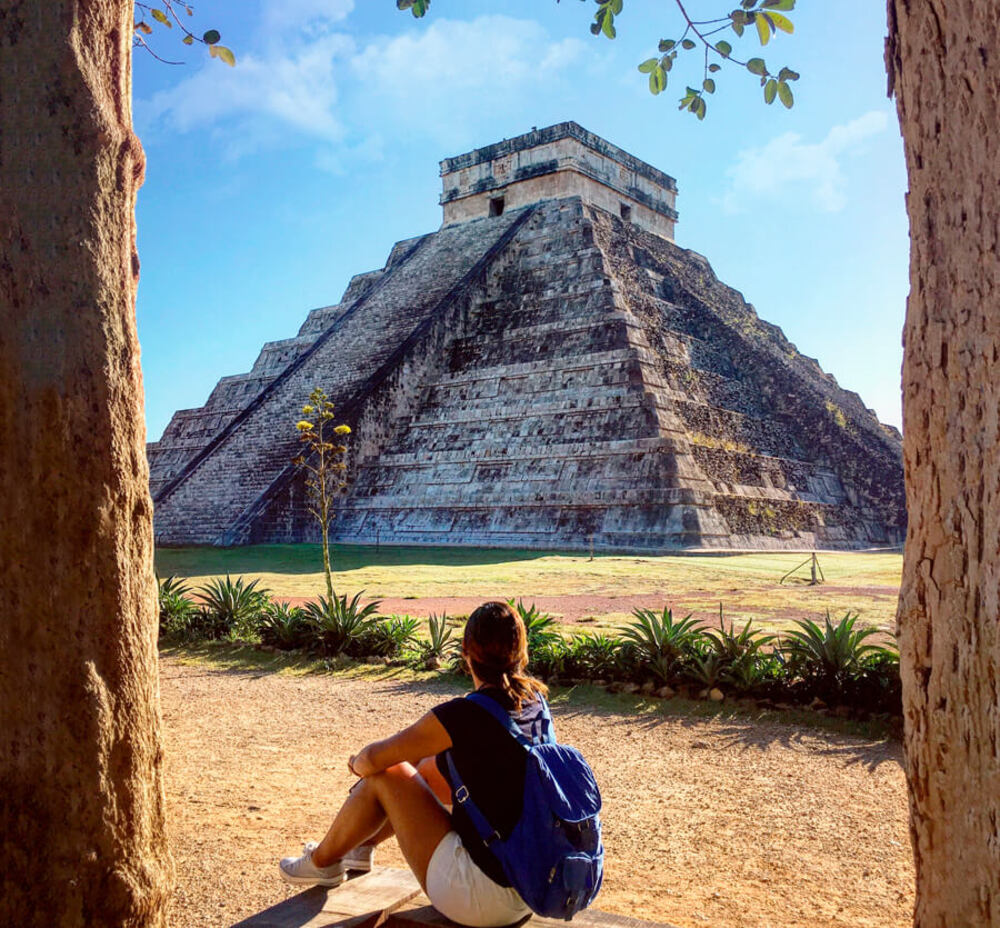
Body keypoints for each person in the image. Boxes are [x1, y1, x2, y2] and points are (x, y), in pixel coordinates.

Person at [278, 601, 553, 928]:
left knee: (386, 772)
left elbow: (374, 760)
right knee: (425, 768)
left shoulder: (464, 716)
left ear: (466, 651)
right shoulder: (536, 704)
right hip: (530, 889)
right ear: (521, 651)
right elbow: (432, 776)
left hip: (480, 898)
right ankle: (360, 847)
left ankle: (322, 861)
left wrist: (357, 764)